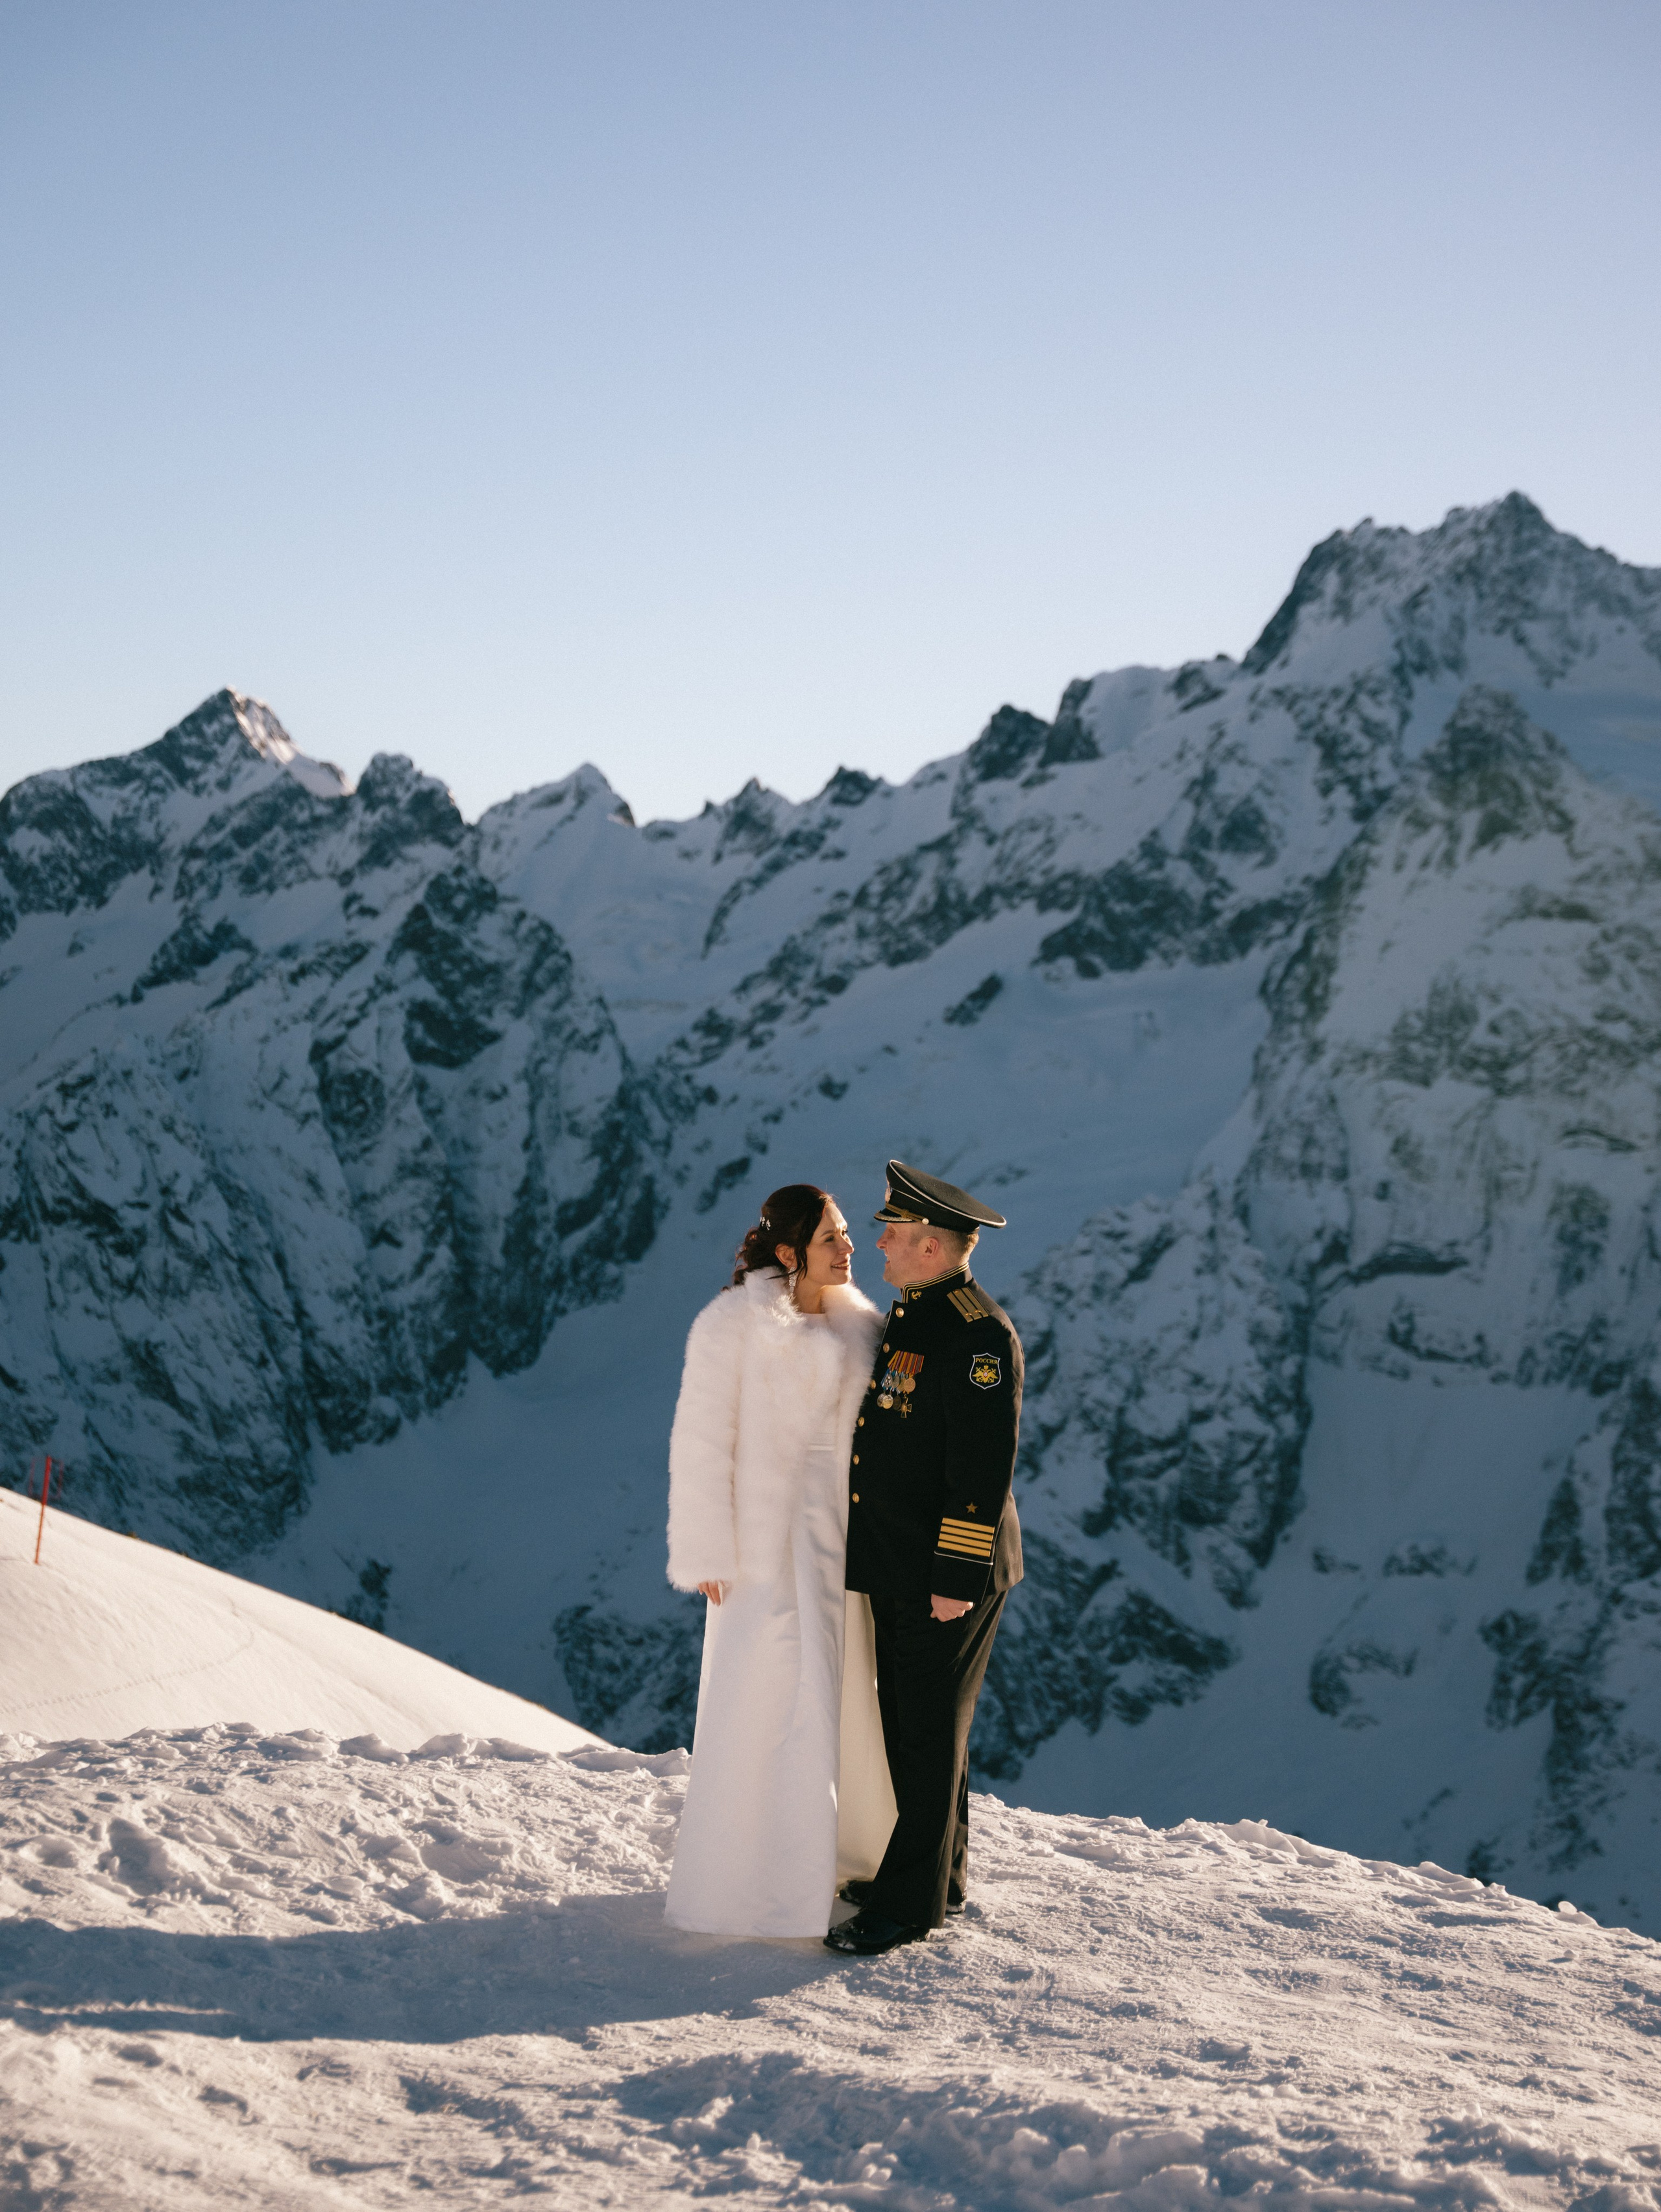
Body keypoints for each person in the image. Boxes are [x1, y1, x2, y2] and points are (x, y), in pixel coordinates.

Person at [663, 1183, 896, 1938]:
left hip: (840, 1542)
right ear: (791, 1250)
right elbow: (702, 1439)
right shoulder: (732, 1325)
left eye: (848, 1233)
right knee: (764, 1700)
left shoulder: (861, 1321)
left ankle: (844, 1859)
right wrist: (705, 1545)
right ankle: (754, 1879)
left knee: (843, 1700)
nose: (849, 1247)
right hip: (762, 1548)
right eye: (832, 1237)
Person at [825, 1159, 1024, 1957]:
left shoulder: (977, 1334)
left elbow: (980, 1470)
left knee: (927, 1733)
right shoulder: (916, 1313)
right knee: (913, 1724)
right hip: (898, 1560)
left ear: (934, 1249)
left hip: (945, 1572)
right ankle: (935, 1874)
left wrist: (953, 1580)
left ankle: (909, 1906)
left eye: (895, 1233)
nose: (878, 1240)